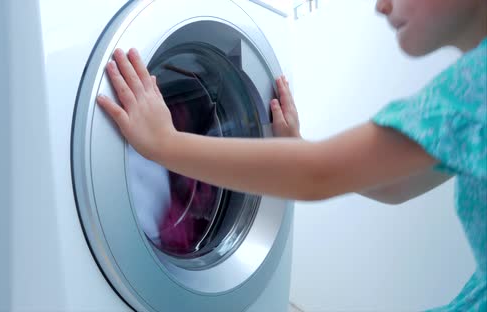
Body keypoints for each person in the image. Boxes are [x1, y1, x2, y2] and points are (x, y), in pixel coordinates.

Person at [96, 0, 486, 310]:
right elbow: (398, 184)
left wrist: (164, 143)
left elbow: (318, 175)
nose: (380, 5)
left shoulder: (475, 85)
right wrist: (296, 149)